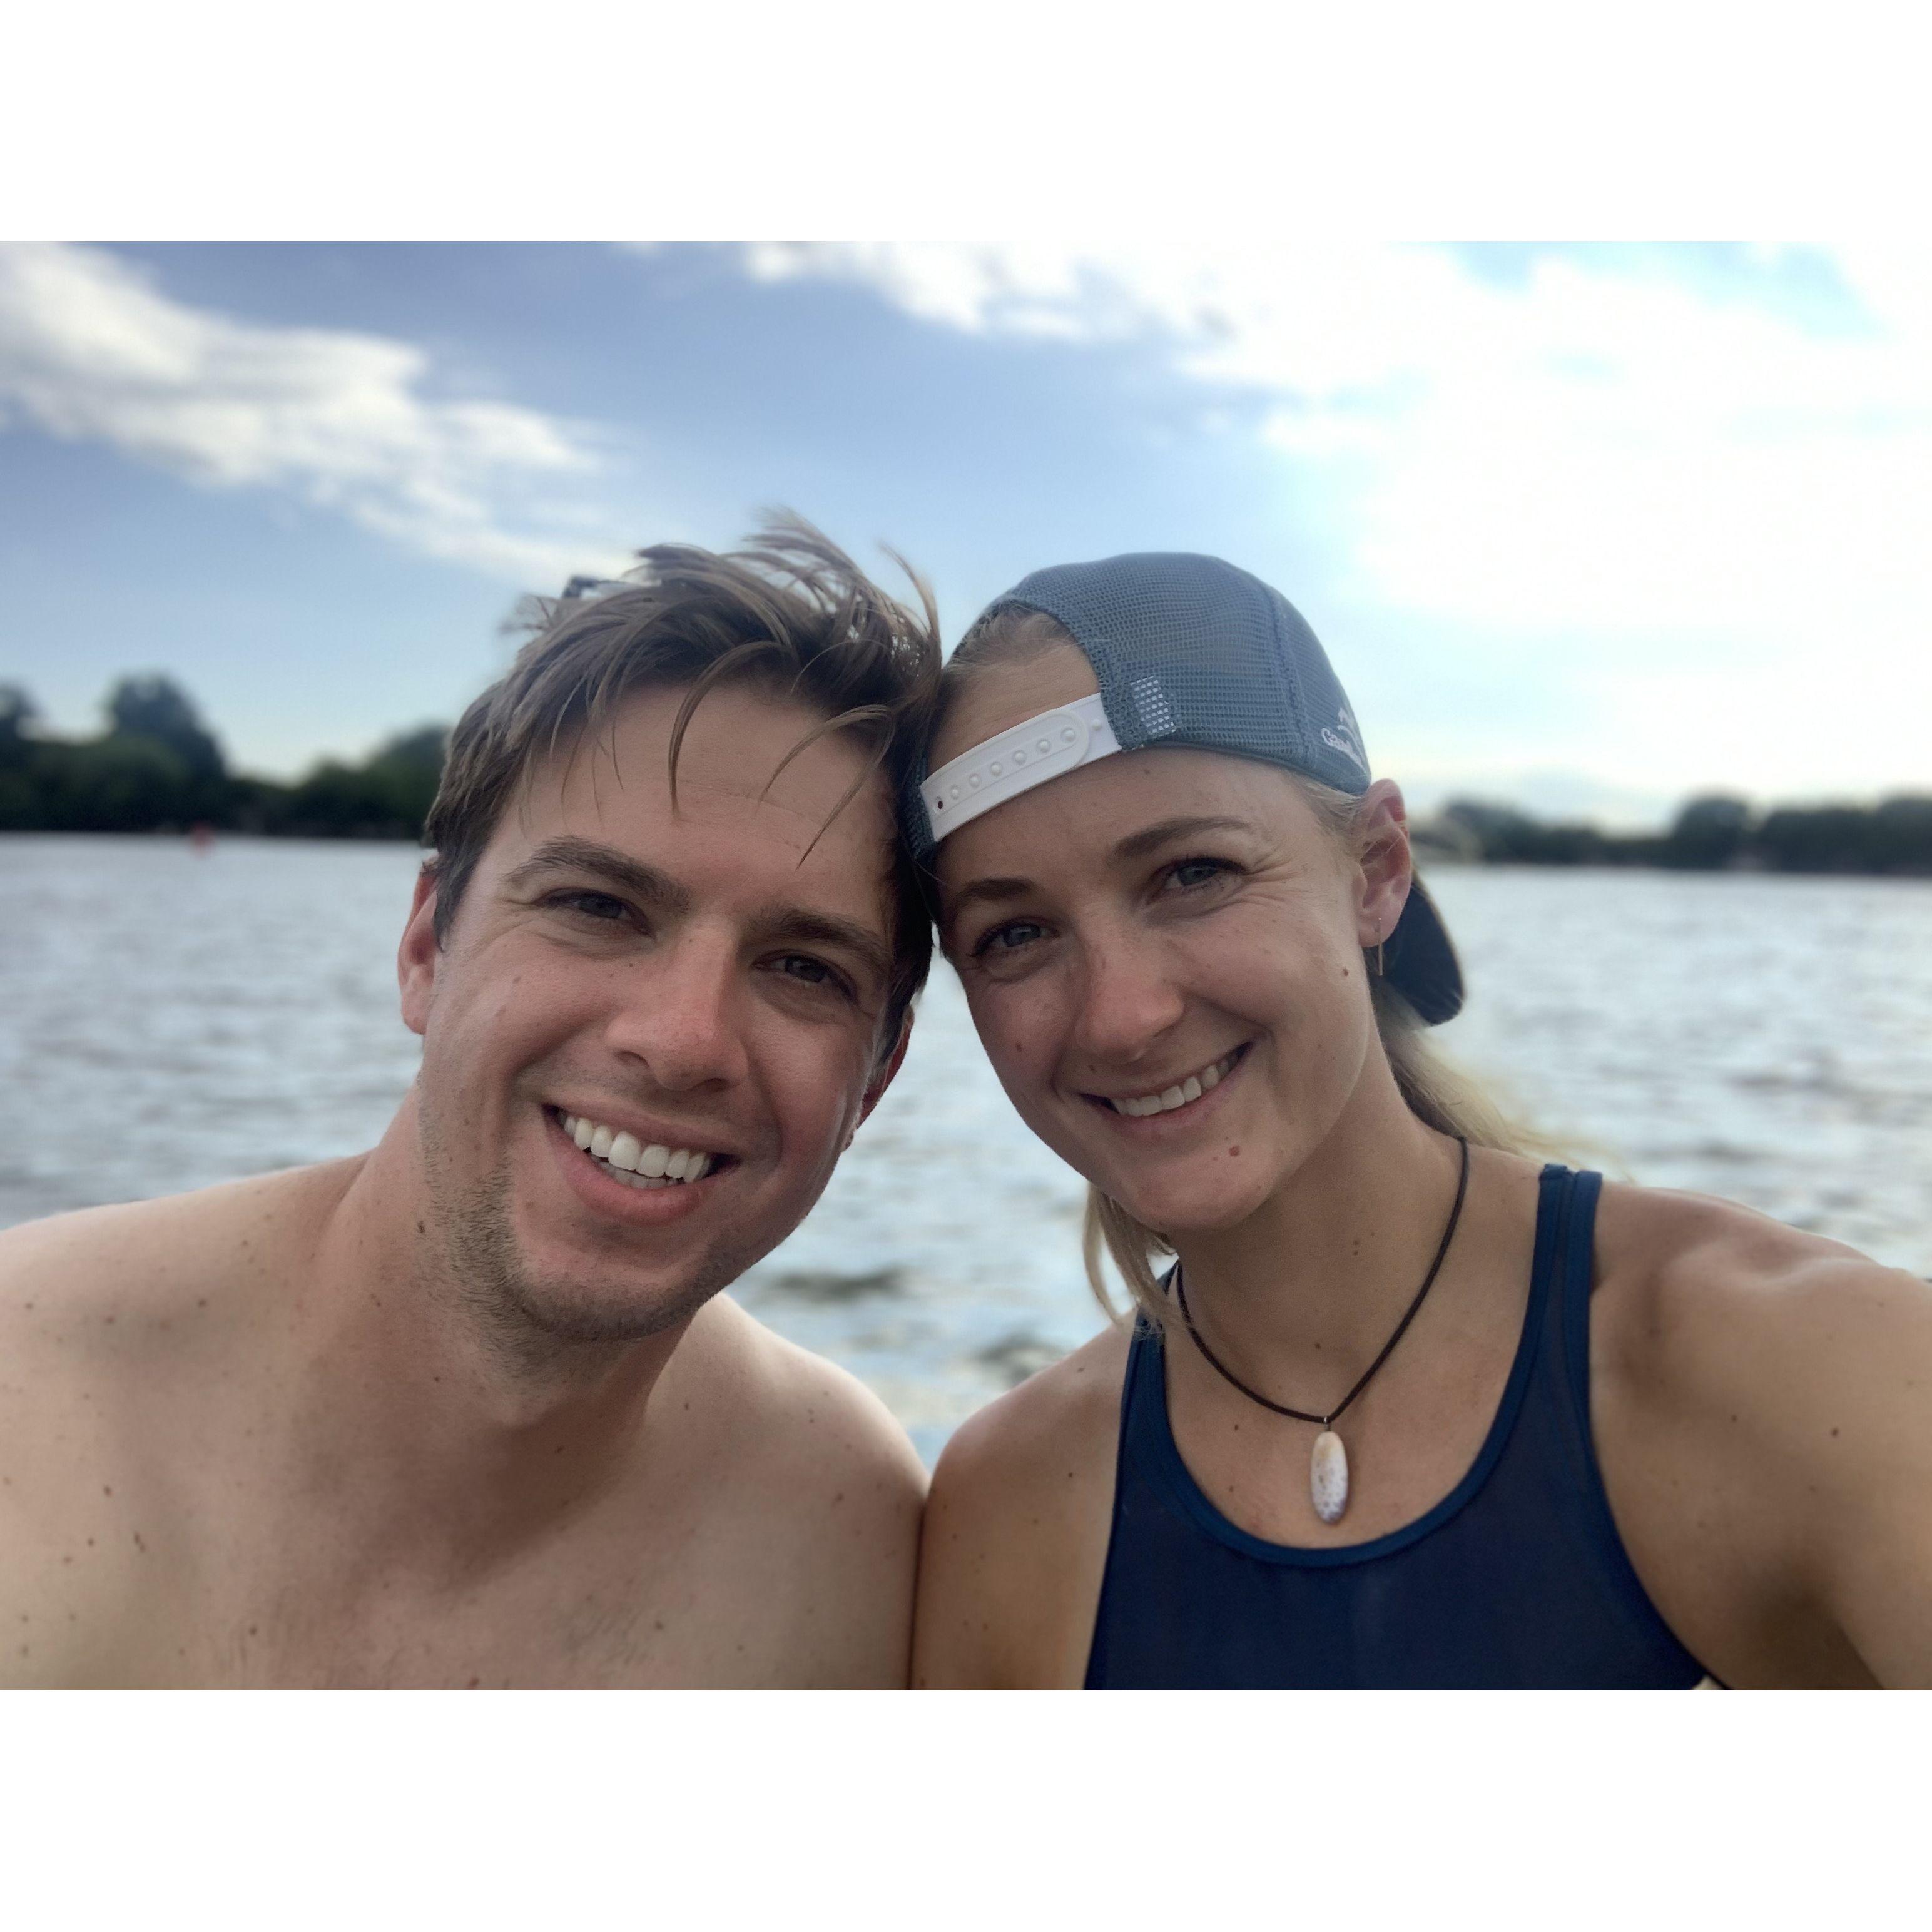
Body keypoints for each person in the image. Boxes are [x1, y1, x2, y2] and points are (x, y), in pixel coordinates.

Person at [909, 552, 1932, 1689]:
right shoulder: (1010, 1504)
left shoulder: (1808, 1372)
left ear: (1376, 874)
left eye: (1193, 873)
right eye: (1014, 935)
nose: (1121, 1015)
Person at [0, 519, 938, 1688]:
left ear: (878, 1077)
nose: (683, 1040)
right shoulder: (29, 1399)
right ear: (424, 949)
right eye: (600, 906)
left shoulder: (847, 1534)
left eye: (806, 967)